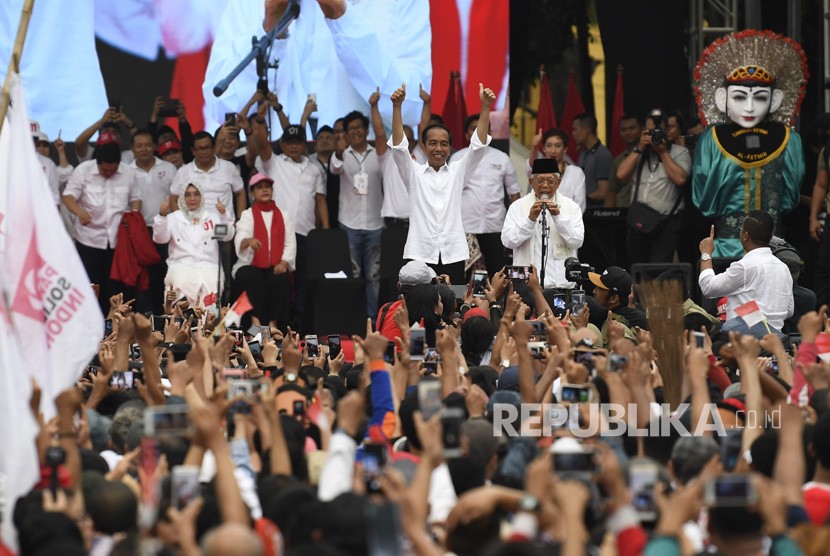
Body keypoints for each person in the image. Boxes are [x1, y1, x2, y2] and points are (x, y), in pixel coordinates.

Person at [202, 0, 431, 138]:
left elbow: (411, 108)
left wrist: (343, 19)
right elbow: (223, 106)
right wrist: (272, 30)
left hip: (365, 174)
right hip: (273, 177)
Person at [692, 29, 807, 257]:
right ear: (722, 98)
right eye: (739, 97)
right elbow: (703, 198)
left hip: (771, 249)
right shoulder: (712, 139)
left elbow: (790, 196)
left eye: (760, 97)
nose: (750, 107)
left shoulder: (787, 139)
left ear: (775, 100)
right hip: (727, 248)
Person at [388, 82, 496, 285]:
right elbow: (399, 148)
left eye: (444, 143)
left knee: (452, 307)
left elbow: (478, 146)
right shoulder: (414, 172)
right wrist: (397, 107)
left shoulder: (457, 172)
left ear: (450, 147)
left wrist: (485, 107)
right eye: (433, 143)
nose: (438, 148)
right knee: (420, 308)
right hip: (420, 252)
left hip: (452, 253)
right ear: (423, 146)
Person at [250, 118, 328, 327]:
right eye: (289, 141)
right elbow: (262, 143)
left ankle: (300, 323)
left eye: (298, 141)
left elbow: (320, 200)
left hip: (306, 232)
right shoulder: (273, 162)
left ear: (304, 144)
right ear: (282, 144)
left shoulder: (314, 169)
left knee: (303, 282)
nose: (294, 145)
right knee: (277, 281)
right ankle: (275, 323)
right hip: (278, 233)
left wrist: (326, 232)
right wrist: (260, 119)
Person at [62, 142, 142, 311]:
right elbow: (68, 197)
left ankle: (113, 327)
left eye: (112, 171)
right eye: (104, 171)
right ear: (97, 162)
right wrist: (80, 213)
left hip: (118, 241)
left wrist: (134, 215)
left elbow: (136, 198)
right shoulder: (83, 170)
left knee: (115, 288)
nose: (108, 174)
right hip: (88, 239)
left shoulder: (128, 172)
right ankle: (91, 327)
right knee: (90, 285)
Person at [698, 212, 794, 338]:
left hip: (745, 342)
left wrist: (706, 254)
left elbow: (708, 287)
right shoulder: (784, 268)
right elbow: (789, 310)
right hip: (776, 340)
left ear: (745, 235)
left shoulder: (744, 266)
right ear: (771, 236)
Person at [330, 108, 385, 316]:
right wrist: (338, 151)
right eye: (351, 129)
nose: (356, 131)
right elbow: (334, 169)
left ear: (366, 129)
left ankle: (372, 320)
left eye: (359, 127)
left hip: (375, 224)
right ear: (345, 133)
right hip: (349, 224)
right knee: (352, 275)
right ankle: (353, 320)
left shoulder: (378, 154)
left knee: (374, 277)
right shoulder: (342, 155)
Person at [618, 109, 692, 264]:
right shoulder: (639, 152)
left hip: (666, 222)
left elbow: (680, 179)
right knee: (638, 267)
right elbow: (621, 175)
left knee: (660, 267)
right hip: (638, 221)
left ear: (666, 131)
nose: (653, 135)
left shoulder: (680, 152)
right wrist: (639, 148)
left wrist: (663, 152)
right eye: (649, 131)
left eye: (657, 131)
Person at [501, 158, 584, 290]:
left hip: (562, 285)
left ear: (558, 183)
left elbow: (577, 242)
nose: (545, 185)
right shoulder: (517, 207)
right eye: (540, 181)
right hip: (526, 286)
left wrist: (558, 217)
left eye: (551, 181)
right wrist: (529, 220)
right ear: (531, 182)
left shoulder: (571, 207)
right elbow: (508, 242)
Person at [456, 113, 520, 277]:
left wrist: (513, 224)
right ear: (466, 134)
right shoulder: (457, 158)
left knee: (497, 273)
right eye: (473, 129)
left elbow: (514, 193)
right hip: (465, 228)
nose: (478, 132)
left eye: (483, 128)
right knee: (465, 277)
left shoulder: (502, 158)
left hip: (495, 226)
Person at [152, 183, 234, 308]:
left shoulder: (212, 218)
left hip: (208, 265)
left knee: (212, 283)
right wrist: (162, 217)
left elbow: (227, 236)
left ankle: (207, 324)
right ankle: (181, 324)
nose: (192, 198)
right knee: (180, 280)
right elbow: (160, 239)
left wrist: (223, 215)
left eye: (196, 194)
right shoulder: (174, 218)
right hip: (181, 264)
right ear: (182, 198)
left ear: (202, 197)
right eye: (188, 194)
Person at [232, 173, 296, 331]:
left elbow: (290, 243)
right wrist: (248, 241)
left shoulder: (283, 215)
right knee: (251, 276)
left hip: (275, 265)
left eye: (267, 187)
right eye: (259, 188)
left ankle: (273, 324)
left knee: (280, 277)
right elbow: (240, 234)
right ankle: (256, 323)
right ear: (252, 194)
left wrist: (284, 261)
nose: (265, 190)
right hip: (250, 264)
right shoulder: (248, 215)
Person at [131, 129, 177, 314]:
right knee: (144, 277)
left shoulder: (168, 168)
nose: (144, 149)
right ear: (132, 148)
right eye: (139, 145)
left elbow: (177, 198)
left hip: (166, 228)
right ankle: (146, 316)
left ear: (155, 147)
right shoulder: (127, 171)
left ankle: (165, 314)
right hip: (140, 232)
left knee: (166, 273)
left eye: (148, 145)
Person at [527, 128, 585, 213]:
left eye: (558, 146)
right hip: (540, 222)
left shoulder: (576, 172)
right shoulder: (538, 170)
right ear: (543, 148)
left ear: (565, 149)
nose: (553, 151)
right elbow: (532, 164)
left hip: (567, 222)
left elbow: (580, 205)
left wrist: (562, 220)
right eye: (549, 145)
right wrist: (535, 146)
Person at [572, 113, 612, 208]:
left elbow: (603, 192)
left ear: (586, 130)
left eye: (575, 129)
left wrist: (579, 199)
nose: (572, 133)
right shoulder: (583, 153)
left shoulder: (602, 154)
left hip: (595, 213)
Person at [605, 114, 643, 208]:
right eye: (623, 130)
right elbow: (612, 191)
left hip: (648, 211)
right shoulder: (618, 160)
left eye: (632, 128)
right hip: (623, 210)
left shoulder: (652, 155)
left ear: (642, 129)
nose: (627, 132)